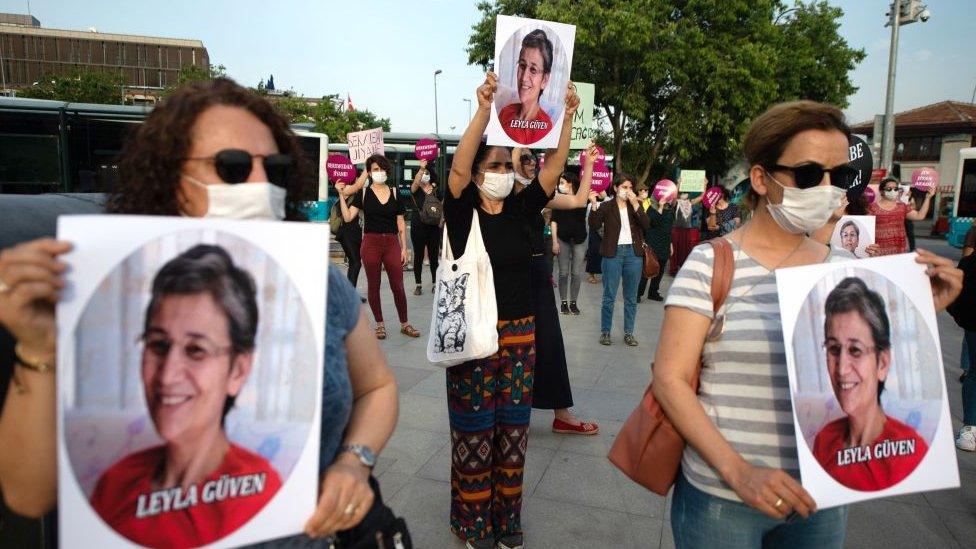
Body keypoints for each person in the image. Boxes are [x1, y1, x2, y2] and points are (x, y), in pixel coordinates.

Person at [0, 78, 401, 546]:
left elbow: (377, 385)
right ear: (172, 176)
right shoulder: (99, 290)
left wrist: (354, 460)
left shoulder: (317, 281)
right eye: (231, 167)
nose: (258, 184)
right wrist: (37, 349)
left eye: (273, 168)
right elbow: (27, 497)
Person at [652, 100, 961, 548]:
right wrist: (740, 473)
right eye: (810, 174)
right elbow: (670, 378)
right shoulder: (711, 262)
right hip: (723, 498)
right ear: (762, 177)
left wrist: (915, 311)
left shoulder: (844, 269)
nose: (828, 189)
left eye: (838, 177)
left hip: (821, 499)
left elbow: (870, 370)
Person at [441, 72, 577, 549]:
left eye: (506, 164)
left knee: (514, 434)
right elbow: (455, 173)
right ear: (478, 172)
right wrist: (483, 111)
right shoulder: (462, 214)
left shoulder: (522, 210)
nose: (502, 171)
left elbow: (553, 171)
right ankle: (472, 522)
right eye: (493, 164)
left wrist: (567, 119)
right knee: (475, 433)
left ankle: (507, 521)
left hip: (520, 337)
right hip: (474, 338)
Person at [89, 245, 283, 546]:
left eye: (196, 350)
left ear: (238, 371)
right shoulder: (116, 483)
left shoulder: (258, 494)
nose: (167, 376)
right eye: (157, 345)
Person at [811, 277, 928, 491]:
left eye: (855, 350)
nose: (842, 368)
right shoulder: (825, 440)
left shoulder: (909, 452)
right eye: (834, 349)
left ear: (882, 363)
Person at [530, 144, 599, 436]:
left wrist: (590, 165)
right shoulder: (500, 194)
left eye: (532, 163)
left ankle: (561, 414)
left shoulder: (537, 196)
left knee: (549, 342)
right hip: (501, 279)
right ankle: (504, 412)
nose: (528, 166)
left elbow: (580, 200)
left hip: (535, 274)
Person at [337, 155, 421, 340]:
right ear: (368, 172)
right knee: (373, 285)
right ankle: (380, 325)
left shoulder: (395, 192)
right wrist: (341, 196)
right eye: (375, 169)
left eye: (382, 169)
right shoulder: (364, 193)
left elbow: (400, 222)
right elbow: (349, 217)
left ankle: (405, 324)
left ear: (387, 171)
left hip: (391, 243)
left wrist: (404, 248)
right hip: (371, 243)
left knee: (398, 285)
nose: (379, 172)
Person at [589, 174, 650, 347]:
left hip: (633, 254)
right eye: (624, 187)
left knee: (631, 297)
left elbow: (646, 225)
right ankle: (605, 332)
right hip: (613, 253)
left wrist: (636, 204)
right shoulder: (606, 206)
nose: (627, 191)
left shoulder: (635, 206)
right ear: (615, 188)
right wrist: (593, 204)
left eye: (630, 187)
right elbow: (594, 226)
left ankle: (629, 332)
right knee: (609, 296)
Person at [498, 29, 556, 145]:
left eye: (533, 70)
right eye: (522, 65)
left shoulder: (545, 127)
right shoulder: (505, 113)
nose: (524, 78)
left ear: (544, 80)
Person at [866, 177, 933, 257]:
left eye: (895, 189)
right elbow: (866, 227)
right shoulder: (872, 207)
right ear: (881, 191)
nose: (893, 191)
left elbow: (920, 216)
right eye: (889, 189)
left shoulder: (902, 207)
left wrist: (928, 198)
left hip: (899, 250)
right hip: (878, 251)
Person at [551, 172, 588, 314]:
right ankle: (563, 302)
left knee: (576, 273)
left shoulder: (581, 198)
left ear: (570, 183)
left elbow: (581, 214)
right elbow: (554, 221)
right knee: (563, 273)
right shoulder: (557, 199)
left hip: (579, 239)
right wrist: (555, 241)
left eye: (562, 183)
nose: (560, 186)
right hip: (562, 239)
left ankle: (573, 302)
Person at [409, 159, 441, 295]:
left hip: (433, 227)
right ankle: (418, 285)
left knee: (434, 256)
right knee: (418, 255)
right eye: (422, 173)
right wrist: (421, 169)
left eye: (427, 172)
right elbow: (414, 185)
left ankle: (435, 283)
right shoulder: (416, 190)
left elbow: (442, 208)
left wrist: (440, 223)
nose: (424, 175)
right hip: (418, 226)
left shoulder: (437, 190)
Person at [637, 193, 676, 302]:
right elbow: (653, 223)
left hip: (664, 243)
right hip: (652, 242)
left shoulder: (670, 210)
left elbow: (669, 229)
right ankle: (638, 293)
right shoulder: (651, 208)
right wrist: (660, 207)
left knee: (660, 269)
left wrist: (670, 244)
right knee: (647, 268)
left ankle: (653, 292)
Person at [334, 181, 363, 286]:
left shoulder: (355, 198)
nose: (351, 187)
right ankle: (351, 293)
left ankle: (350, 291)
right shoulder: (342, 201)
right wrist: (341, 193)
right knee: (356, 263)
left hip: (356, 234)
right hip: (346, 234)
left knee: (353, 263)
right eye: (348, 186)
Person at [669, 192, 703, 276]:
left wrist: (705, 185)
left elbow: (702, 197)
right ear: (680, 195)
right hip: (676, 229)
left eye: (686, 193)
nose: (685, 194)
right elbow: (673, 195)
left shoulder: (690, 202)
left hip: (687, 229)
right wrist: (678, 183)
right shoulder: (675, 202)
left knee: (686, 249)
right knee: (674, 250)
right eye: (683, 193)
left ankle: (684, 269)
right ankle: (673, 270)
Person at [584, 189, 611, 283]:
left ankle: (606, 274)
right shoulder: (591, 204)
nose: (600, 193)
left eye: (602, 191)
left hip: (607, 231)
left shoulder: (609, 201)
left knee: (606, 253)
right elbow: (588, 220)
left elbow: (611, 208)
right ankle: (591, 274)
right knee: (593, 252)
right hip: (594, 231)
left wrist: (605, 196)